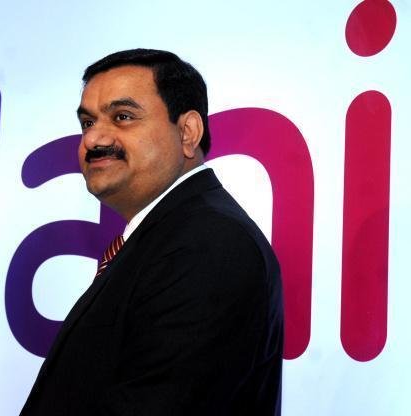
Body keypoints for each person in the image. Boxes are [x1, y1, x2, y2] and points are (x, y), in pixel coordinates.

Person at [21, 49, 284, 415]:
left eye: (123, 117)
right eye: (87, 122)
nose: (94, 139)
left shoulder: (209, 243)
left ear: (188, 132)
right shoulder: (169, 237)